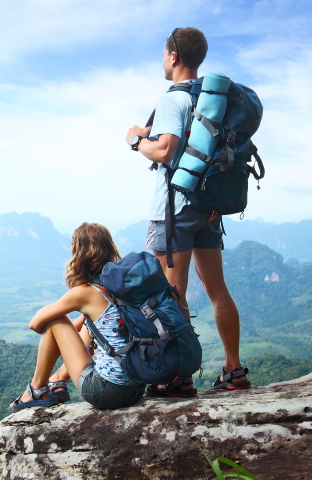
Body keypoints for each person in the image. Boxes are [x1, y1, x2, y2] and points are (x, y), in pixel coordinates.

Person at [124, 27, 250, 394]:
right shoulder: (211, 100)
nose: (163, 60)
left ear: (174, 56)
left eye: (164, 54)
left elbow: (164, 150)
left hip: (174, 209)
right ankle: (234, 369)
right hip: (209, 208)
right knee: (218, 291)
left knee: (171, 293)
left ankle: (177, 376)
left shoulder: (172, 100)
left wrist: (135, 140)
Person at [8, 223, 145, 412]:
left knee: (57, 320)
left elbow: (36, 324)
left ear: (80, 253)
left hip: (106, 392)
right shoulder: (120, 287)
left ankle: (36, 389)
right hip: (135, 389)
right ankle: (57, 381)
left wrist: (59, 328)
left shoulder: (86, 292)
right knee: (86, 322)